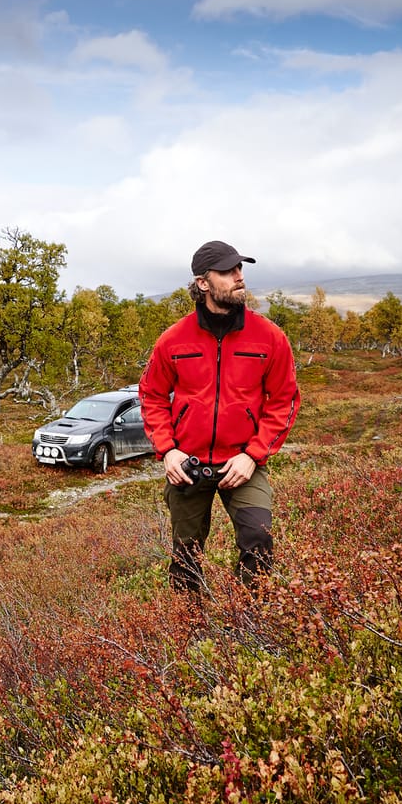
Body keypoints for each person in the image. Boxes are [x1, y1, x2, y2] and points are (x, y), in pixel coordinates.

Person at [139, 240, 301, 596]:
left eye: (240, 269)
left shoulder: (269, 337)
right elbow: (151, 396)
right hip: (188, 464)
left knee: (258, 540)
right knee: (186, 557)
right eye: (228, 271)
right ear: (203, 283)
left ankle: (249, 625)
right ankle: (190, 630)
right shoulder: (173, 340)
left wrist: (253, 455)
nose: (239, 277)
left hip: (243, 462)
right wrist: (167, 450)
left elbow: (284, 400)